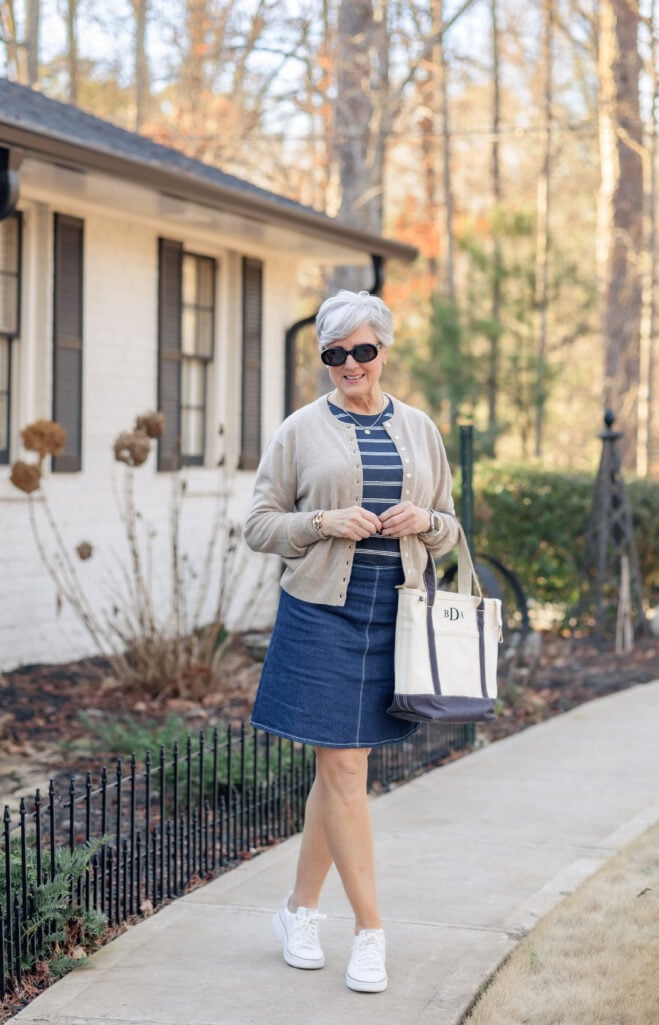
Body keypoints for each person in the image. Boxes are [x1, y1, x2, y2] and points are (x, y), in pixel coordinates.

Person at [243, 289, 459, 993]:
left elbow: (452, 529)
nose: (349, 365)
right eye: (334, 354)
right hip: (321, 614)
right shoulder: (300, 430)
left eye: (362, 351)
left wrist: (423, 519)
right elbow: (260, 524)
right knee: (342, 771)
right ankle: (370, 930)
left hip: (393, 615)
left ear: (384, 352)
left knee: (339, 775)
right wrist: (321, 523)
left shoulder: (420, 428)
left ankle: (298, 910)